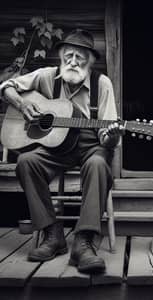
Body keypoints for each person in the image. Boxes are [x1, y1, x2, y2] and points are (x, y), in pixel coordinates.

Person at [0, 29, 124, 273]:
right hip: (55, 147)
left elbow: (108, 141)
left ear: (90, 60)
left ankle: (84, 242)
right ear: (60, 56)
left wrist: (111, 137)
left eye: (80, 57)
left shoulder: (102, 84)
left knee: (99, 165)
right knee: (26, 161)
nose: (74, 62)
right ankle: (52, 233)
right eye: (69, 55)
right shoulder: (46, 76)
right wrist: (22, 104)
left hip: (91, 146)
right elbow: (6, 87)